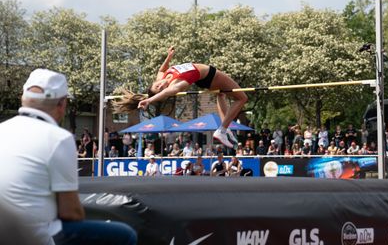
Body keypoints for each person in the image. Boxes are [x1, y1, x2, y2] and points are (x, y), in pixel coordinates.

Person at [0, 68, 137, 245]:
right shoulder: (59, 138)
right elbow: (70, 212)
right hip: (34, 236)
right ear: (62, 104)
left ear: (23, 98)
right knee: (125, 235)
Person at [113, 46, 247, 148]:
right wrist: (149, 100)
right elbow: (166, 92)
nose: (160, 86)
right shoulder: (176, 85)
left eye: (157, 85)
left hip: (204, 77)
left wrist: (169, 57)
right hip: (210, 76)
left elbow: (160, 70)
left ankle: (225, 127)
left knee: (221, 94)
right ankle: (222, 130)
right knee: (242, 98)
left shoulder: (163, 77)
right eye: (160, 89)